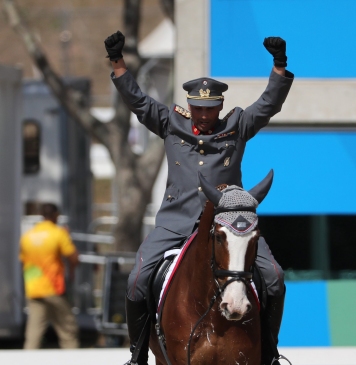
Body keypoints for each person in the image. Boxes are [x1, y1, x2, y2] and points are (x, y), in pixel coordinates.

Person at [104, 30, 293, 365]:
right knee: (137, 280)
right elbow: (137, 101)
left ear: (220, 106)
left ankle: (270, 354)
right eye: (198, 109)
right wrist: (118, 63)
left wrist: (279, 65)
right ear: (189, 106)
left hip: (229, 224)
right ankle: (136, 356)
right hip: (175, 224)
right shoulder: (170, 123)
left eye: (211, 109)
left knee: (275, 278)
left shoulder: (237, 125)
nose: (205, 116)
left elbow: (268, 104)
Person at [19, 203, 80, 349]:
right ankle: (74, 359)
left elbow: (23, 262)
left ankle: (27, 359)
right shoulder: (58, 233)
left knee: (34, 331)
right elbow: (73, 258)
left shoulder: (28, 236)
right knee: (67, 328)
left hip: (33, 288)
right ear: (56, 216)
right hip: (54, 287)